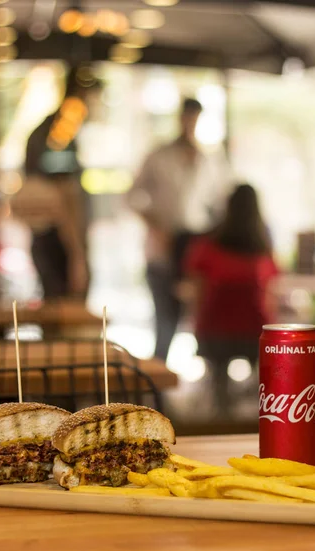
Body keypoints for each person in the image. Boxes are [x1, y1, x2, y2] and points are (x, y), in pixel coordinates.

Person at [127, 98, 228, 361]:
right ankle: (158, 384)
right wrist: (155, 226)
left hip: (195, 249)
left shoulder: (209, 160)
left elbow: (220, 203)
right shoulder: (159, 156)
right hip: (164, 246)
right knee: (165, 319)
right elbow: (132, 196)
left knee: (201, 319)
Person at [183, 184, 279, 414]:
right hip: (255, 335)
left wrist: (194, 325)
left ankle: (222, 415)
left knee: (219, 390)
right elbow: (271, 295)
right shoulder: (263, 252)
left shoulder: (205, 248)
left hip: (213, 334)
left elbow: (194, 294)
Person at [11, 68, 100, 299]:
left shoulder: (56, 130)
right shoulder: (60, 133)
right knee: (64, 317)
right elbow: (63, 197)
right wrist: (77, 254)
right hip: (58, 244)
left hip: (55, 242)